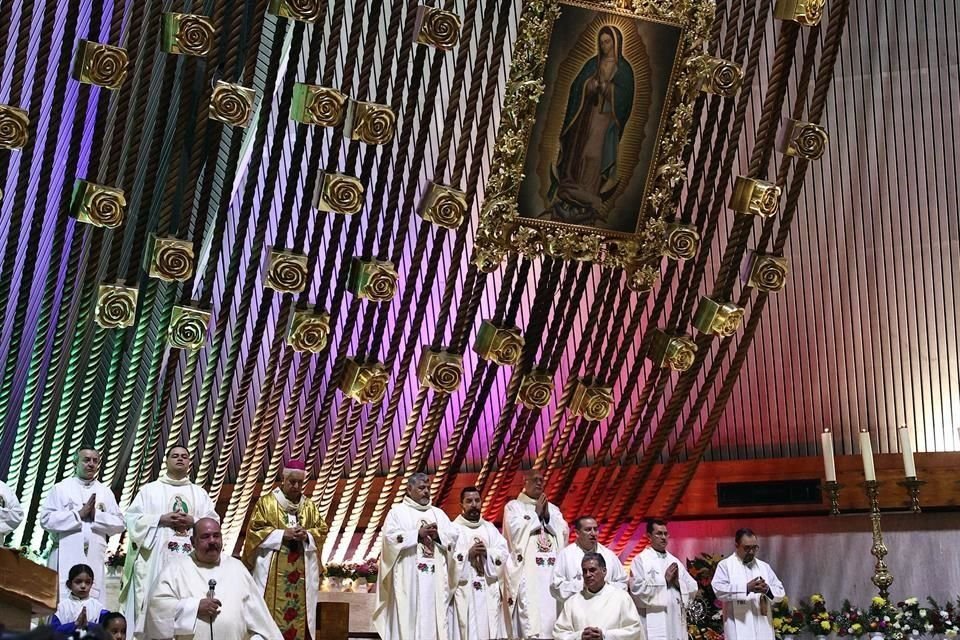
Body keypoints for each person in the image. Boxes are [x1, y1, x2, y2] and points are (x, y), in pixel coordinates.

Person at [121, 446, 219, 636]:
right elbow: (131, 519)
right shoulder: (149, 491)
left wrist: (195, 521)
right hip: (156, 561)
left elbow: (214, 522)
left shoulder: (200, 494)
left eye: (184, 456)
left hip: (191, 561)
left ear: (189, 462)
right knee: (157, 599)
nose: (180, 459)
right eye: (175, 456)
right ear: (166, 461)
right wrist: (160, 519)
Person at [545, 24, 635, 229]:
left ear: (616, 42)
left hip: (605, 120)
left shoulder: (625, 70)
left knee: (594, 154)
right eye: (602, 42)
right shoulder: (592, 64)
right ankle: (572, 187)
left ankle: (589, 191)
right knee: (580, 151)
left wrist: (609, 89)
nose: (604, 46)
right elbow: (577, 86)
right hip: (585, 117)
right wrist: (590, 85)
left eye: (608, 42)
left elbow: (626, 99)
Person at [145, 518, 282, 640]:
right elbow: (156, 609)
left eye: (216, 536)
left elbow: (260, 621)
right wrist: (194, 607)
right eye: (205, 536)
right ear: (193, 542)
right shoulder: (175, 569)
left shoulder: (237, 568)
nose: (212, 541)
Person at [241, 460, 328, 640]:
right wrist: (282, 535)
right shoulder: (267, 503)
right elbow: (254, 531)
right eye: (292, 481)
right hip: (272, 571)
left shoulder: (309, 506)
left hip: (301, 572)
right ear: (283, 478)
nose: (296, 486)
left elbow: (322, 530)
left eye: (299, 483)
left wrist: (307, 535)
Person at [373, 472, 460, 640]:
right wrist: (417, 534)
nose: (426, 491)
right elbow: (390, 539)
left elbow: (453, 537)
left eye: (428, 488)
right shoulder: (397, 513)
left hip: (434, 580)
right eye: (421, 488)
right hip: (408, 580)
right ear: (409, 489)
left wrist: (438, 536)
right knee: (407, 620)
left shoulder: (438, 514)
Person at [40, 447, 125, 599]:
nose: (91, 464)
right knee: (62, 600)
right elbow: (46, 520)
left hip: (94, 555)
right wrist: (78, 515)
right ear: (75, 463)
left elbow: (120, 523)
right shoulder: (61, 489)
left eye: (95, 461)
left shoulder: (105, 492)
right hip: (65, 552)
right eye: (86, 460)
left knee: (92, 602)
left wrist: (95, 515)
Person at [504, 468, 569, 639]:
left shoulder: (553, 509)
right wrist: (535, 515)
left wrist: (547, 517)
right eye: (535, 480)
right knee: (532, 617)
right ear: (524, 482)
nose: (539, 483)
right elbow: (514, 532)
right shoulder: (514, 507)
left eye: (541, 480)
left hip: (551, 570)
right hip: (529, 573)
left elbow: (564, 531)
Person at [451, 486, 510, 640]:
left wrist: (488, 553)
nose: (474, 504)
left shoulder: (489, 529)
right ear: (461, 505)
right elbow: (447, 559)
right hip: (466, 592)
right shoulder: (454, 529)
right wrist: (466, 555)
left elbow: (504, 554)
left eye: (477, 500)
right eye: (469, 501)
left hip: (488, 591)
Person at [629, 519, 698, 640]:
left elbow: (693, 587)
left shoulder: (674, 561)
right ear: (649, 536)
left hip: (675, 619)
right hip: (653, 620)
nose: (663, 537)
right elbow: (637, 591)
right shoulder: (640, 560)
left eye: (666, 534)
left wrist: (677, 583)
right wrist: (664, 581)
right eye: (659, 533)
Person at [711, 528, 785, 640]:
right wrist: (746, 588)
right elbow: (719, 590)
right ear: (736, 545)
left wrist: (767, 590)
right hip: (737, 627)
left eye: (754, 548)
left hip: (763, 626)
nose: (751, 552)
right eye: (747, 548)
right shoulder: (725, 565)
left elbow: (780, 591)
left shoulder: (764, 567)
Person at [553, 552, 644, 640]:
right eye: (585, 571)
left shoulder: (621, 598)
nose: (588, 575)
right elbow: (559, 633)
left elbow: (634, 630)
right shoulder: (572, 602)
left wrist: (605, 635)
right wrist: (580, 636)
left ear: (604, 571)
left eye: (592, 570)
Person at [552, 516, 627, 603]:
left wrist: (605, 586)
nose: (593, 533)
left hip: (605, 607)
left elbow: (623, 583)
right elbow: (555, 586)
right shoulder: (565, 555)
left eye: (595, 529)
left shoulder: (609, 555)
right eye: (588, 530)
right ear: (577, 533)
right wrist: (582, 585)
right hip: (577, 609)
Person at [50, 563, 111, 634]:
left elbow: (108, 630)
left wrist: (88, 625)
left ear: (92, 584)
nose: (83, 586)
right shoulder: (61, 608)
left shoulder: (98, 608)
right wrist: (75, 624)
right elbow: (53, 632)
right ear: (69, 584)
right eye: (78, 582)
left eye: (87, 582)